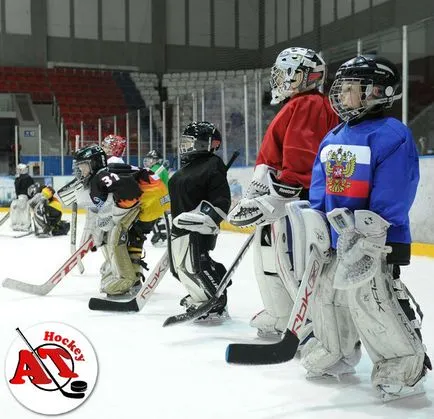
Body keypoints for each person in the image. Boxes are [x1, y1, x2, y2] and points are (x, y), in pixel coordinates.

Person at [302, 55, 431, 401]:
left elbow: (394, 190)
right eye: (341, 89)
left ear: (378, 91)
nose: (342, 96)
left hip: (374, 241)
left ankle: (403, 365)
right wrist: (317, 222)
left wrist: (370, 232)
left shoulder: (392, 135)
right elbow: (321, 185)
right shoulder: (333, 136)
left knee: (371, 300)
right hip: (336, 240)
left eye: (351, 89)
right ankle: (335, 351)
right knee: (328, 298)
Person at [228, 47, 339, 338]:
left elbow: (302, 158)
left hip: (292, 201)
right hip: (281, 198)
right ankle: (282, 315)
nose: (278, 80)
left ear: (300, 75)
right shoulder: (299, 104)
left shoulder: (310, 105)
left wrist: (276, 197)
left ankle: (310, 323)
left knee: (291, 262)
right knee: (270, 260)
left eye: (283, 73)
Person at [72, 145, 169, 296]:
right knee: (133, 237)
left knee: (116, 238)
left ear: (94, 163)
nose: (80, 171)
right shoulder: (107, 171)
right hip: (158, 196)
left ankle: (126, 280)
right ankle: (135, 279)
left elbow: (130, 194)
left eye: (82, 166)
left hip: (150, 200)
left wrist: (112, 217)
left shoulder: (100, 177)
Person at [169, 121, 231, 322]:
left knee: (193, 264)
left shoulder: (212, 164)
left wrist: (208, 218)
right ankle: (199, 296)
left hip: (196, 227)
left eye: (190, 142)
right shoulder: (188, 168)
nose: (185, 146)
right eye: (184, 142)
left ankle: (215, 299)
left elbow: (221, 200)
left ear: (205, 143)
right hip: (180, 228)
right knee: (177, 268)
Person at [143, 149, 170, 247]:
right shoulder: (158, 168)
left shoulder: (156, 169)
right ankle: (162, 235)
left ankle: (162, 236)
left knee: (156, 216)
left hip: (159, 197)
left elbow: (150, 183)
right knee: (158, 216)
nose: (148, 161)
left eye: (151, 159)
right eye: (148, 159)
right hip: (162, 197)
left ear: (157, 160)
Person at [10, 163, 34, 231]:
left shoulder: (18, 178)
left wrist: (18, 196)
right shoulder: (28, 178)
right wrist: (30, 197)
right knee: (24, 212)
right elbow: (31, 188)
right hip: (25, 197)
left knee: (19, 212)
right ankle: (26, 226)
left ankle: (18, 225)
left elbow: (17, 189)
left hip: (20, 197)